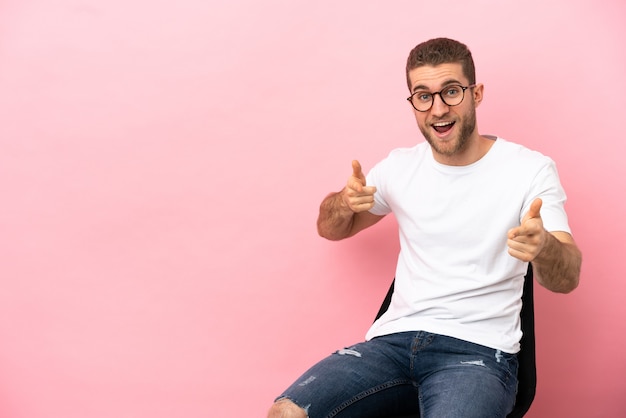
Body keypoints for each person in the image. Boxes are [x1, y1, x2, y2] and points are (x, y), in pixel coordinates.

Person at [267, 37, 582, 418]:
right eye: (423, 96)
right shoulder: (400, 167)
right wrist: (344, 202)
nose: (438, 109)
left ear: (476, 93)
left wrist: (545, 247)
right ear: (412, 102)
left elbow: (567, 277)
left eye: (451, 92)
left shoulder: (529, 170)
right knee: (287, 413)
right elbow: (330, 229)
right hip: (392, 345)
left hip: (477, 353)